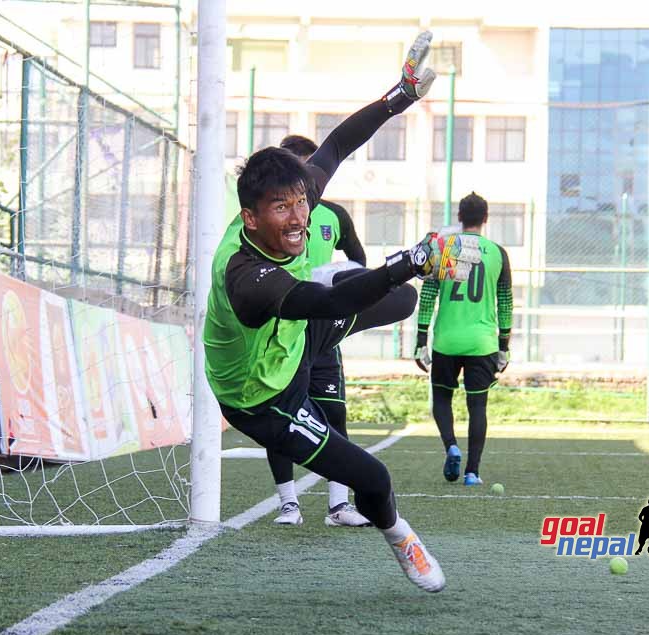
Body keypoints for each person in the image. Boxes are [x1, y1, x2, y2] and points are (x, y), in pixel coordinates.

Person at [204, 31, 481, 592]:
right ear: (251, 219)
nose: (298, 215)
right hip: (261, 398)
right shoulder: (245, 276)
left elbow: (336, 146)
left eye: (301, 201)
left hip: (299, 333)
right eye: (281, 206)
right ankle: (399, 533)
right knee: (373, 477)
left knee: (400, 300)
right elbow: (325, 301)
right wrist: (409, 261)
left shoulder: (296, 204)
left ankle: (349, 333)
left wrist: (397, 98)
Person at [264, 134, 368, 527]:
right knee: (281, 416)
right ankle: (288, 503)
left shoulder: (335, 216)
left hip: (323, 332)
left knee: (335, 414)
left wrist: (338, 280)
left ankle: (338, 506)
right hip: (283, 332)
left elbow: (358, 260)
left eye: (309, 170)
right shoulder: (269, 220)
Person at [414, 192, 512, 485]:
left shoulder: (444, 248)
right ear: (485, 219)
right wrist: (504, 345)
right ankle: (472, 472)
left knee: (442, 399)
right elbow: (505, 302)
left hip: (446, 340)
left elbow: (428, 295)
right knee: (477, 406)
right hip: (482, 342)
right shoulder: (497, 252)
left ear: (459, 217)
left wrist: (421, 340)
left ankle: (451, 446)